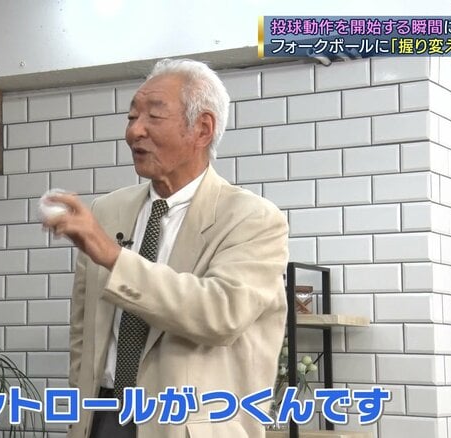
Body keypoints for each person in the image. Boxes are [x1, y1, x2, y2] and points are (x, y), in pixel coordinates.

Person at [42, 58, 289, 438]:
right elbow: (84, 328)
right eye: (131, 117)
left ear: (202, 129)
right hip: (103, 417)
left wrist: (114, 257)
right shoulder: (107, 211)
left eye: (154, 116)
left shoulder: (252, 218)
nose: (134, 131)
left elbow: (221, 314)